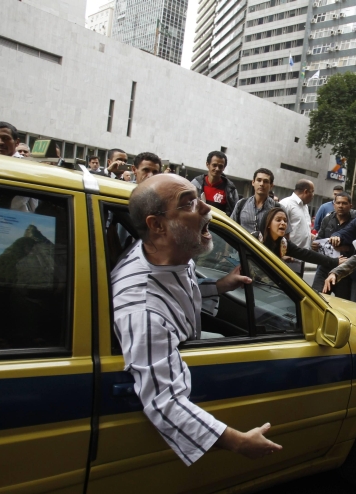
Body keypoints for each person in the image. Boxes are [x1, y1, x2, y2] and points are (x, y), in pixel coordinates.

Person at [111, 173, 282, 464]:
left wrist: (218, 287)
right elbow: (164, 401)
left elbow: (179, 291)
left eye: (199, 199)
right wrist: (239, 442)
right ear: (157, 225)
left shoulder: (172, 255)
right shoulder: (141, 308)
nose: (206, 209)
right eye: (189, 204)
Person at [258, 207, 343, 270]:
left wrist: (334, 261)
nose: (283, 223)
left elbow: (306, 254)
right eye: (278, 220)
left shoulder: (283, 244)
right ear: (268, 224)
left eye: (285, 220)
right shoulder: (256, 239)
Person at [312, 192, 355, 298]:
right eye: (338, 203)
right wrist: (314, 246)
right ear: (334, 204)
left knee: (342, 305)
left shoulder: (355, 222)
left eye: (344, 203)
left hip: (345, 271)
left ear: (350, 206)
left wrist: (346, 248)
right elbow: (319, 239)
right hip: (325, 267)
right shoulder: (327, 219)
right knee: (316, 298)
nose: (340, 206)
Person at [279, 179, 315, 275]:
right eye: (312, 192)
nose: (313, 195)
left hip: (301, 256)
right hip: (289, 257)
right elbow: (279, 231)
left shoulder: (305, 206)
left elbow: (299, 227)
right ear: (306, 191)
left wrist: (310, 235)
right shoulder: (286, 204)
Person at [191, 151, 238, 215]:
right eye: (214, 165)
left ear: (224, 168)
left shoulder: (231, 190)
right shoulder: (195, 184)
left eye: (220, 166)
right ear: (207, 165)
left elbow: (235, 214)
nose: (217, 169)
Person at [231, 168, 276, 235]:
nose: (261, 184)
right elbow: (231, 228)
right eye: (259, 180)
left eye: (266, 181)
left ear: (271, 185)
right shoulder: (241, 204)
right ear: (253, 182)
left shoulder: (277, 208)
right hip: (241, 244)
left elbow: (284, 236)